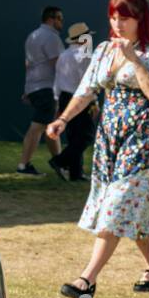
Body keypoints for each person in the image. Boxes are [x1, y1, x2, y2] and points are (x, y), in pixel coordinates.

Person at [46, 0, 149, 298]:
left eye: (125, 16)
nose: (117, 22)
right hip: (110, 139)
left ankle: (87, 280)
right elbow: (86, 90)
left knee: (118, 205)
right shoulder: (105, 51)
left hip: (140, 139)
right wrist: (63, 120)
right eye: (113, 16)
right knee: (131, 209)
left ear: (140, 19)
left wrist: (135, 60)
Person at [17, 6, 64, 175]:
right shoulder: (51, 37)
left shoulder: (32, 36)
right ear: (51, 19)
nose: (61, 23)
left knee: (50, 125)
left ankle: (60, 164)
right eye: (60, 19)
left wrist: (27, 88)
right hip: (46, 88)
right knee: (38, 126)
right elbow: (59, 65)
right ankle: (23, 165)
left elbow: (28, 65)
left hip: (35, 88)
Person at [50, 21, 95, 181]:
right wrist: (94, 100)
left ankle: (75, 173)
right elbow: (88, 81)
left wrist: (57, 101)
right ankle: (59, 161)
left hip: (64, 96)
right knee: (86, 136)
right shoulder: (85, 56)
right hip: (80, 98)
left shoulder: (63, 55)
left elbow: (57, 80)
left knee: (74, 136)